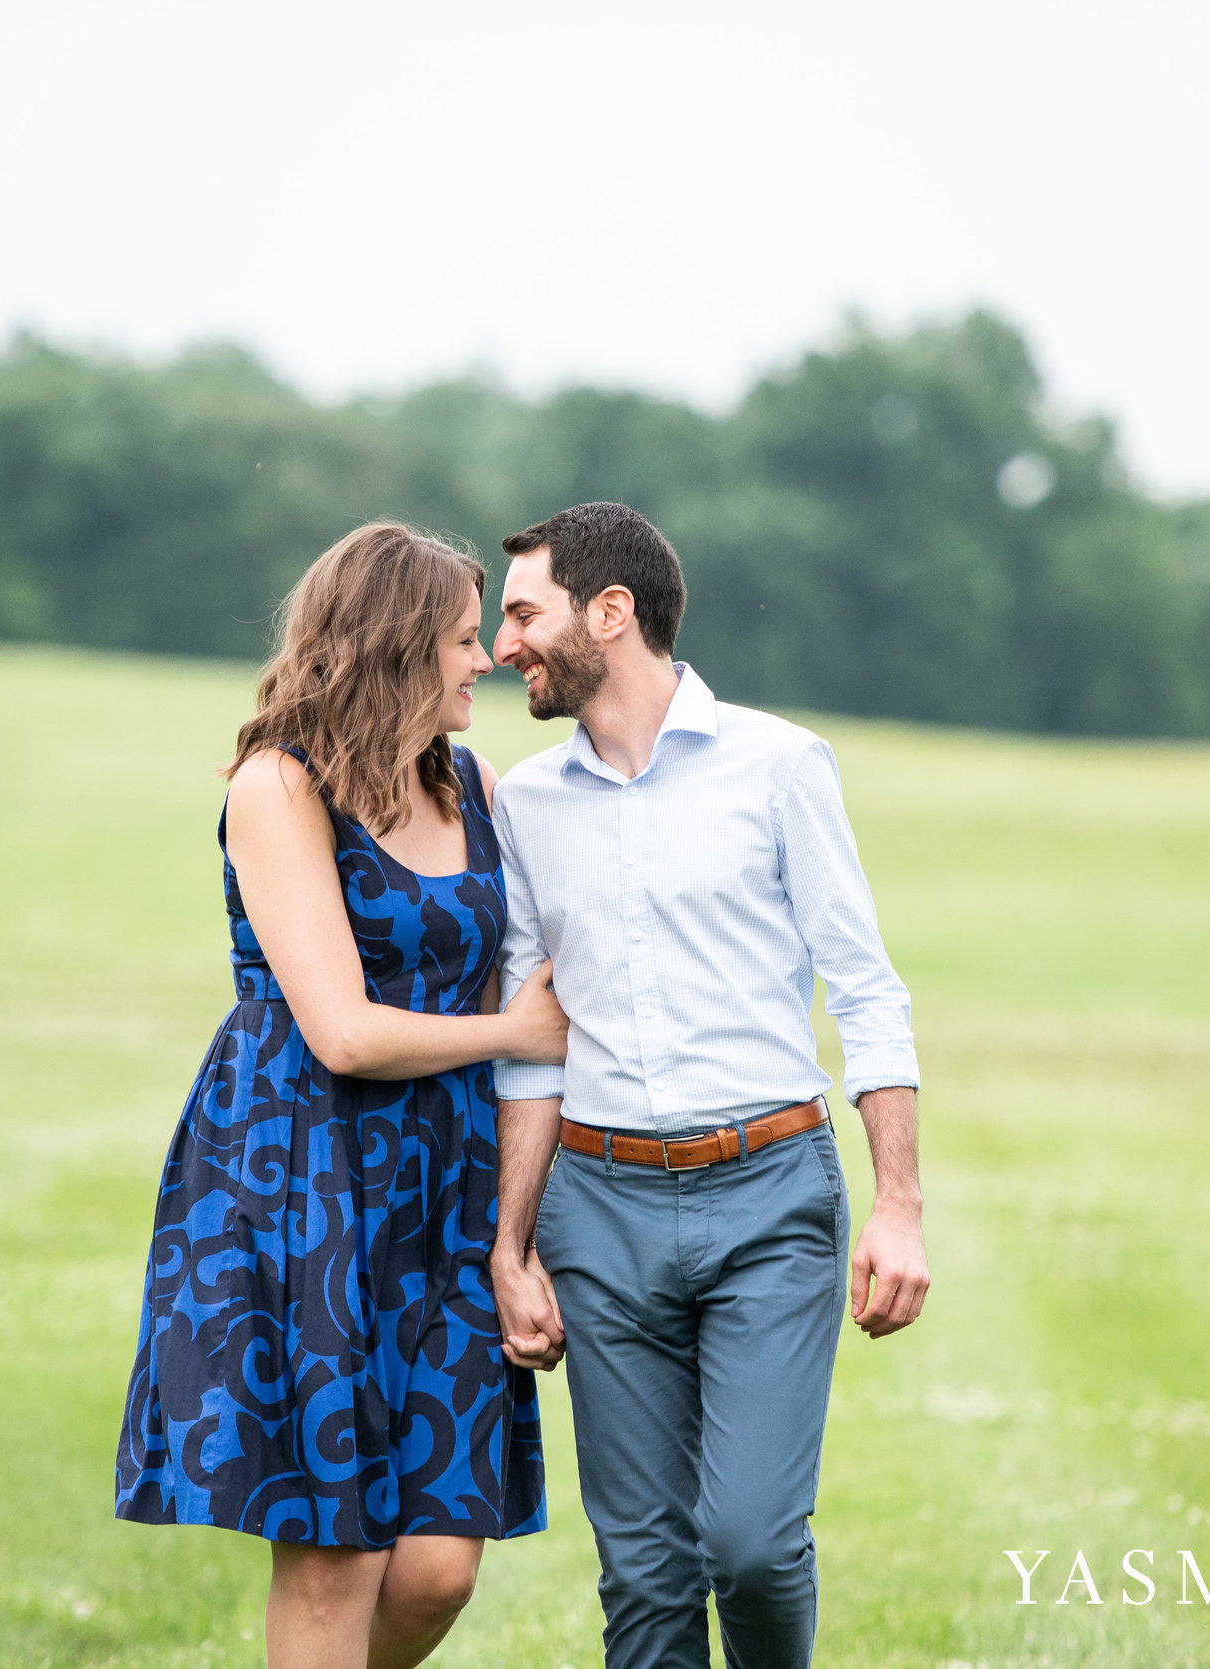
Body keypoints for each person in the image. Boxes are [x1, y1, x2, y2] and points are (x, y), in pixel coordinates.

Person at [115, 522, 569, 1669]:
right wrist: (514, 1029)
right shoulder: (280, 786)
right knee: (335, 1561)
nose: (487, 660)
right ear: (395, 644)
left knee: (437, 1565)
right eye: (466, 640)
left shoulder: (472, 781)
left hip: (447, 1190)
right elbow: (343, 1031)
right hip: (300, 1185)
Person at [485, 502, 929, 1669]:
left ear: (610, 612)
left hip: (769, 1198)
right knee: (642, 1573)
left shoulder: (780, 766)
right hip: (599, 1205)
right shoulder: (524, 804)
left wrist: (896, 1204)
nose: (500, 645)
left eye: (524, 612)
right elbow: (532, 1042)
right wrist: (512, 1243)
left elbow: (866, 989)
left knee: (748, 1544)